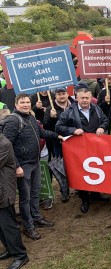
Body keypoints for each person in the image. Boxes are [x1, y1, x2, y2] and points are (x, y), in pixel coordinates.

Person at [2, 94, 62, 240]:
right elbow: (5, 146)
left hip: (34, 162)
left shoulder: (31, 118)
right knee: (25, 198)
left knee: (35, 193)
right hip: (23, 166)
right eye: (22, 102)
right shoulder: (13, 121)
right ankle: (28, 226)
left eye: (28, 102)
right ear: (15, 104)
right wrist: (16, 166)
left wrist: (58, 136)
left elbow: (41, 133)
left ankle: (36, 217)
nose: (25, 104)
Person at [56, 87, 109, 214]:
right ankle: (85, 198)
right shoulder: (69, 111)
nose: (85, 100)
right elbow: (58, 126)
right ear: (77, 98)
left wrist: (102, 127)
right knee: (82, 172)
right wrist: (72, 130)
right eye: (82, 98)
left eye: (87, 98)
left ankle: (96, 194)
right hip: (79, 149)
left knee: (96, 169)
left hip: (95, 148)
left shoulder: (96, 108)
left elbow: (106, 120)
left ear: (91, 98)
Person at [0, 112, 29, 269]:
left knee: (8, 224)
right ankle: (10, 250)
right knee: (1, 225)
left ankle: (20, 254)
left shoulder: (4, 144)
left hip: (4, 192)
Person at [43, 87, 73, 203]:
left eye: (63, 93)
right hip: (58, 142)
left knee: (74, 165)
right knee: (61, 167)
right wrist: (51, 118)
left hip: (73, 141)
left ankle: (78, 187)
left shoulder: (74, 105)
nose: (62, 96)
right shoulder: (50, 109)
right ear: (55, 96)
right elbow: (46, 128)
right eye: (59, 94)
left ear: (67, 94)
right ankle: (64, 190)